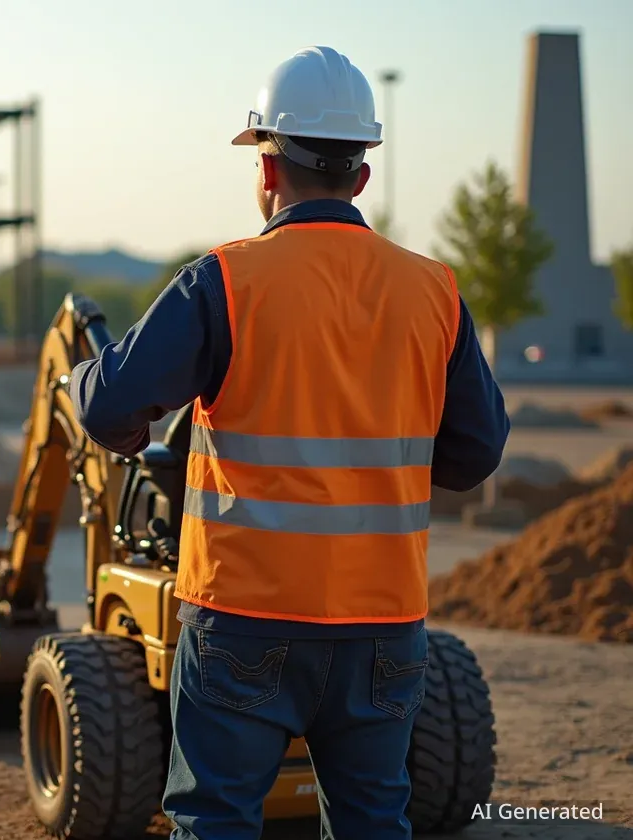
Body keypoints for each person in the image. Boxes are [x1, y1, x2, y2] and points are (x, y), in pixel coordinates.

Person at [68, 45, 509, 840]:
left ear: (267, 168)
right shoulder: (434, 291)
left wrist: (80, 381)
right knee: (374, 820)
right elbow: (474, 455)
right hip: (383, 622)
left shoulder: (225, 282)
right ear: (361, 176)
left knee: (216, 821)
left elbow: (108, 411)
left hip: (245, 614)